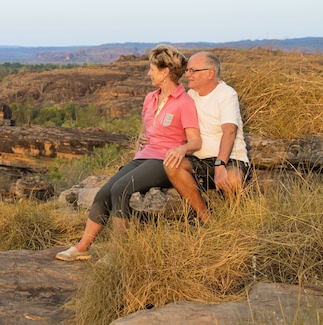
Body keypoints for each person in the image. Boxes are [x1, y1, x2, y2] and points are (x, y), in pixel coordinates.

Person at [56, 45, 201, 262]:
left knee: (121, 189)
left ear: (165, 72)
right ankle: (83, 246)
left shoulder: (184, 102)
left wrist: (181, 149)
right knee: (105, 192)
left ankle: (118, 254)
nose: (148, 73)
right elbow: (145, 131)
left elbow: (195, 141)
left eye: (152, 69)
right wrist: (137, 149)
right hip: (143, 157)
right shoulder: (150, 98)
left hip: (163, 160)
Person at [164, 51, 250, 223]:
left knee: (231, 179)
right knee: (172, 165)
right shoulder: (191, 95)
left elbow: (229, 131)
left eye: (193, 71)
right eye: (187, 70)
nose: (187, 75)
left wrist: (220, 164)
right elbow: (173, 121)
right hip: (200, 160)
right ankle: (206, 218)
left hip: (230, 159)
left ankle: (237, 221)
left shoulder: (226, 94)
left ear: (210, 73)